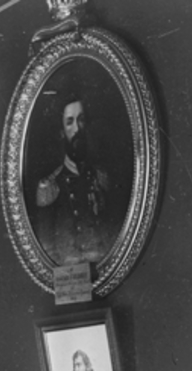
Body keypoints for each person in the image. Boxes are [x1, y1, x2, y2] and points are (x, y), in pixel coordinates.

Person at [34, 94, 117, 266]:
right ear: (61, 132)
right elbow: (46, 249)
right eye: (69, 122)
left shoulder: (101, 178)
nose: (77, 129)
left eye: (81, 120)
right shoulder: (49, 187)